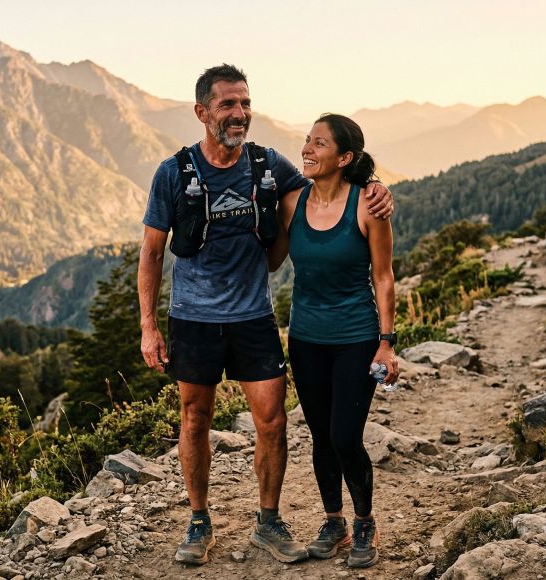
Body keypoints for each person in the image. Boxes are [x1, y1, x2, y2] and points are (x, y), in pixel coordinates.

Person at [138, 65, 394, 566]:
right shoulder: (173, 173)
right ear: (202, 112)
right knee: (195, 419)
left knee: (273, 423)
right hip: (192, 317)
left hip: (254, 316)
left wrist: (377, 185)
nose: (240, 114)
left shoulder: (268, 165)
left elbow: (334, 180)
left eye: (246, 103)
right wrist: (148, 325)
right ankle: (198, 521)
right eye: (228, 105)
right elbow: (150, 252)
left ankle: (269, 522)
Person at [268, 113, 400, 569]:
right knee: (321, 435)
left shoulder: (368, 206)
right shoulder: (292, 203)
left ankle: (364, 522)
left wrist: (387, 342)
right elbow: (271, 261)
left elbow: (383, 277)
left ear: (344, 158)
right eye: (307, 140)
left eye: (319, 144)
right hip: (305, 339)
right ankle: (334, 522)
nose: (307, 149)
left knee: (345, 435)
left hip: (356, 338)